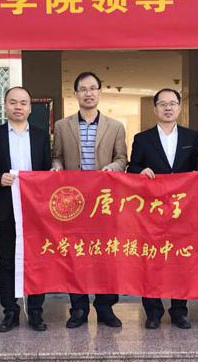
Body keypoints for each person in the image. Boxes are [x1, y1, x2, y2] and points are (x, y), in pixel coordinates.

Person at [51, 71, 127, 329]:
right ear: (75, 94)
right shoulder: (62, 126)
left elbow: (122, 158)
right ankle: (79, 308)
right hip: (73, 202)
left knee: (106, 254)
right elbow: (57, 156)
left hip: (103, 201)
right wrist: (57, 167)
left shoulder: (115, 127)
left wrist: (112, 168)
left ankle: (105, 307)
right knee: (75, 255)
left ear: (99, 93)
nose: (88, 93)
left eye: (93, 88)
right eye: (83, 89)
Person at [0, 86, 50, 333]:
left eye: (23, 103)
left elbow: (47, 170)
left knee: (37, 260)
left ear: (30, 108)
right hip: (5, 207)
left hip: (35, 208)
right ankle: (10, 311)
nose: (18, 107)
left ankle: (36, 311)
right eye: (13, 102)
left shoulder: (41, 136)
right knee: (7, 260)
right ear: (5, 106)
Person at [126, 88, 198, 330]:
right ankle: (153, 311)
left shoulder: (191, 137)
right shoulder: (142, 139)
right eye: (163, 104)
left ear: (179, 107)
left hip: (181, 210)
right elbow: (132, 167)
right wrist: (141, 171)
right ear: (155, 108)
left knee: (179, 260)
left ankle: (179, 311)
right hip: (152, 211)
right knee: (151, 260)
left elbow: (197, 172)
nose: (168, 108)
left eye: (172, 103)